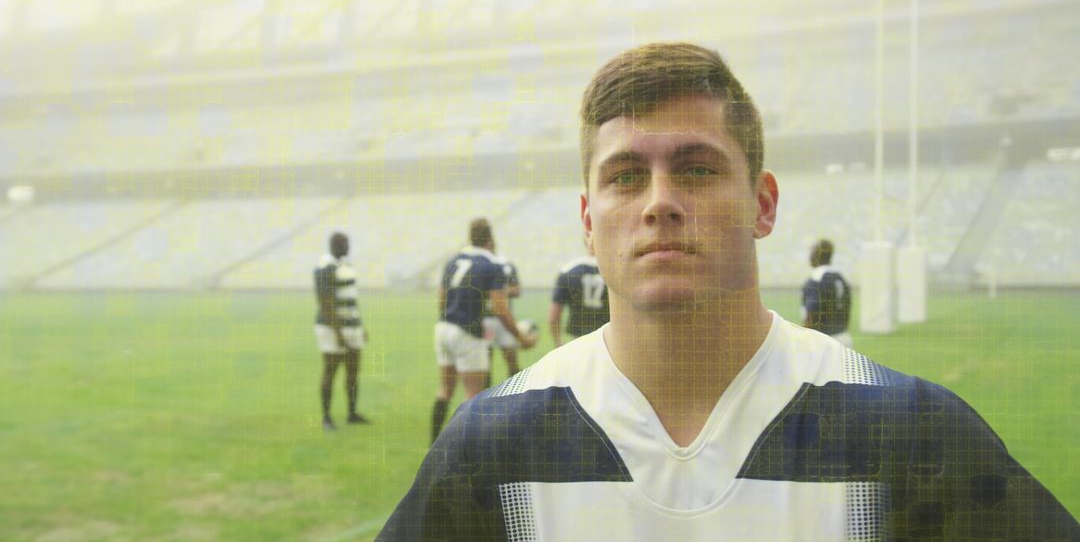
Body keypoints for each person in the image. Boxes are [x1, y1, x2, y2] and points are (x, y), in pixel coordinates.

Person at [378, 43, 1078, 540]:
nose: (660, 202)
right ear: (588, 222)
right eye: (625, 175)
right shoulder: (490, 447)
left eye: (698, 169)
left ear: (763, 205)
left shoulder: (912, 432)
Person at [430, 219, 537, 445]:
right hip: (467, 331)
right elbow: (500, 308)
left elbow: (441, 298)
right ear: (490, 239)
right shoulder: (492, 265)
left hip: (443, 327)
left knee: (445, 389)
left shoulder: (453, 261)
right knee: (474, 396)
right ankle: (468, 452)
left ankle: (434, 443)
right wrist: (521, 337)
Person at [313, 232, 370, 431]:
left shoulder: (347, 266)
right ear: (335, 245)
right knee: (330, 370)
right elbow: (325, 302)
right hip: (331, 328)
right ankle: (327, 417)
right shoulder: (325, 267)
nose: (348, 246)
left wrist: (360, 326)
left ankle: (352, 413)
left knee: (353, 372)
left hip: (352, 326)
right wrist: (338, 333)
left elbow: (351, 299)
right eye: (345, 243)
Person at [548, 253, 610, 347]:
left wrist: (558, 341)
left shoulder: (567, 270)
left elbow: (554, 315)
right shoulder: (614, 270)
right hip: (609, 340)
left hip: (578, 338)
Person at [801, 238, 853, 347]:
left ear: (816, 254)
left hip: (823, 342)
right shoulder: (841, 278)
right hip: (844, 338)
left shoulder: (816, 280)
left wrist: (804, 339)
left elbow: (811, 314)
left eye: (811, 251)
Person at [482, 250, 524, 380]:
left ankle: (515, 395)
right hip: (485, 320)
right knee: (484, 365)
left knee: (512, 361)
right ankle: (483, 398)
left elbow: (517, 290)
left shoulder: (507, 266)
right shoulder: (479, 266)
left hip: (505, 320)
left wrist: (499, 291)